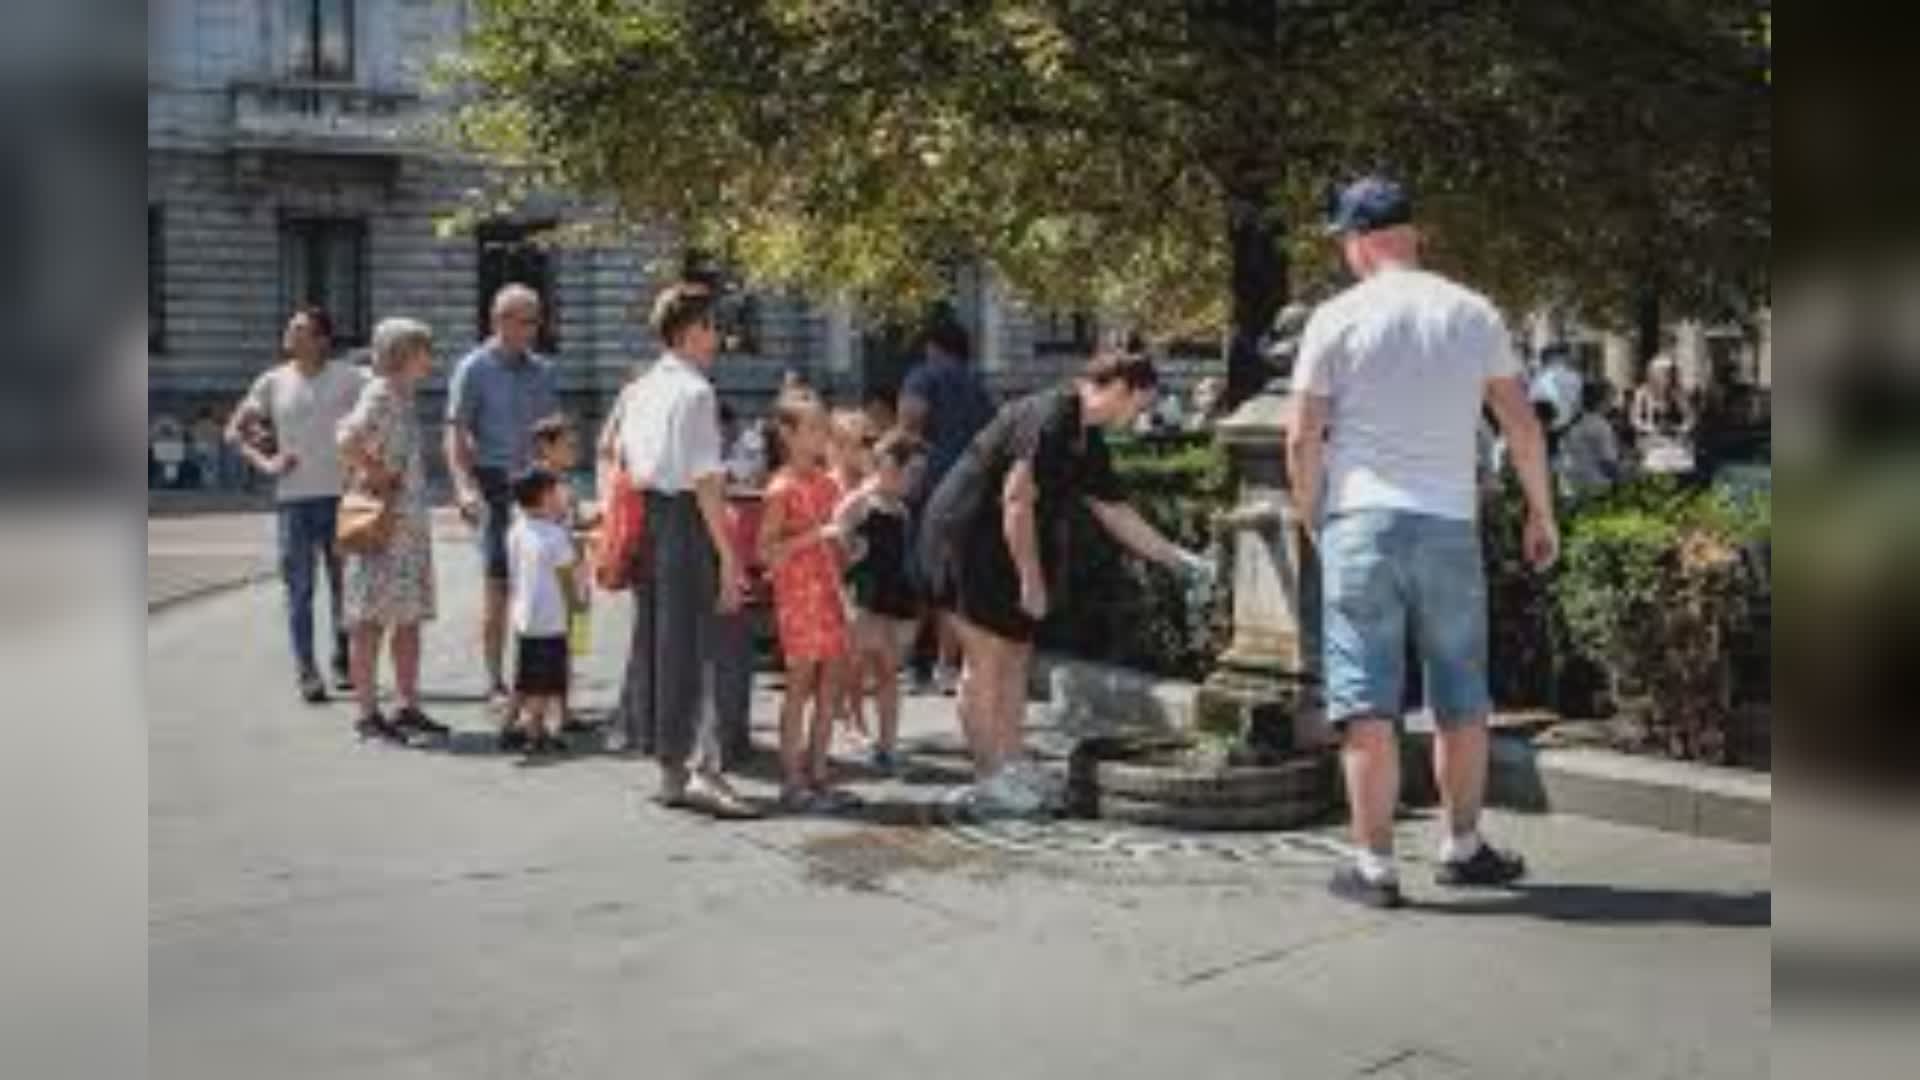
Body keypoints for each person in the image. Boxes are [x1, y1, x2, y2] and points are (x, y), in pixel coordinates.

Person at [1286, 176, 1557, 910]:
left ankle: (1374, 870)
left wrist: (1314, 517)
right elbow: (1522, 427)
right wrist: (1542, 515)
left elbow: (1301, 435)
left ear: (1361, 242)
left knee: (1366, 703)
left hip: (1361, 523)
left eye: (1344, 240)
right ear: (1412, 235)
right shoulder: (1473, 313)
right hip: (1448, 523)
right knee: (1461, 697)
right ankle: (1463, 846)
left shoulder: (1335, 318)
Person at [919, 352, 1215, 817]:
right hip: (966, 537)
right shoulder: (1051, 414)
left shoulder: (1087, 437)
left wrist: (1180, 561)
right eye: (1142, 404)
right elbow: (1016, 499)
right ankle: (989, 777)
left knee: (1016, 655)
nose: (1141, 415)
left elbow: (1115, 512)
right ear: (1120, 388)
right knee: (987, 659)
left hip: (1003, 545)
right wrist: (1031, 580)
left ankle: (1012, 763)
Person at [609, 283, 758, 818]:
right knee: (705, 645)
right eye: (712, 326)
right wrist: (730, 557)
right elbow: (706, 482)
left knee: (660, 645)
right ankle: (705, 771)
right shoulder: (695, 392)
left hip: (651, 522)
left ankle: (671, 768)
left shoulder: (640, 387)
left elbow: (615, 455)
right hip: (687, 522)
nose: (718, 337)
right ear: (690, 330)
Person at [226, 306, 367, 702]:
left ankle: (343, 659)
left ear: (322, 338)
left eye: (300, 329)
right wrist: (266, 462)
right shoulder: (272, 381)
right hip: (294, 502)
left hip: (342, 499)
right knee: (300, 591)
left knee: (346, 588)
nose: (290, 334)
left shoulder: (351, 378)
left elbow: (379, 417)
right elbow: (234, 431)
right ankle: (307, 670)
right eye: (290, 328)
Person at [445, 284, 561, 706]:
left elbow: (552, 434)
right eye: (526, 320)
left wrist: (562, 489)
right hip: (494, 483)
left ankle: (538, 683)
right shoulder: (473, 368)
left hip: (536, 483)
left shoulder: (545, 371)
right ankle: (495, 682)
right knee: (498, 586)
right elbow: (456, 433)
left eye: (536, 320)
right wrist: (462, 486)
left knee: (542, 590)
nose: (534, 328)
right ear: (500, 321)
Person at [336, 318, 448, 745]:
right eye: (425, 350)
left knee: (408, 619)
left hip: (405, 528)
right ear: (403, 353)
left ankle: (407, 705)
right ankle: (367, 714)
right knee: (370, 621)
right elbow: (346, 438)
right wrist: (377, 472)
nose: (431, 359)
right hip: (383, 527)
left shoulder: (401, 394)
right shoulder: (381, 392)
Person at [758, 391, 857, 812]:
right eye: (813, 428)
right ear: (788, 433)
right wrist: (817, 537)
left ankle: (819, 773)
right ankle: (792, 778)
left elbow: (838, 541)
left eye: (822, 427)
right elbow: (766, 551)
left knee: (830, 684)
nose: (822, 436)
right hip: (798, 595)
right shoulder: (781, 487)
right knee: (799, 686)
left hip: (830, 591)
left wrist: (850, 546)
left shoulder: (828, 482)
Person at [898, 319, 995, 695]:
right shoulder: (977, 384)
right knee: (955, 577)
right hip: (970, 486)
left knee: (920, 574)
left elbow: (909, 424)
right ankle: (947, 664)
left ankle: (913, 663)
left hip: (930, 484)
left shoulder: (923, 376)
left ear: (934, 346)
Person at [833, 430, 926, 774]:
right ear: (889, 466)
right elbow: (834, 538)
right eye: (911, 471)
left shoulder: (901, 509)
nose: (916, 481)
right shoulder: (860, 502)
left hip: (893, 596)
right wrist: (851, 551)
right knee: (853, 667)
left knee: (888, 671)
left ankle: (887, 743)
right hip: (863, 596)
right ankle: (853, 730)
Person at [502, 468, 583, 758]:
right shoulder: (555, 535)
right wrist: (578, 606)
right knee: (543, 681)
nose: (564, 497)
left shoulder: (516, 530)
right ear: (546, 497)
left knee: (525, 676)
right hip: (551, 619)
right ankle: (536, 732)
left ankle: (509, 724)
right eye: (558, 491)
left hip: (525, 615)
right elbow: (567, 576)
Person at [1557, 380, 1625, 500]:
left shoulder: (1574, 422)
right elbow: (1609, 465)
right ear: (1602, 401)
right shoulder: (1600, 426)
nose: (1613, 404)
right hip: (1593, 491)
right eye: (1611, 399)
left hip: (1569, 489)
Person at [1631, 354, 1697, 476]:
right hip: (1652, 440)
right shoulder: (1642, 393)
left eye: (1669, 373)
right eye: (1663, 372)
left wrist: (1681, 429)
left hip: (1675, 439)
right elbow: (1635, 419)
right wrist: (1650, 428)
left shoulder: (1679, 393)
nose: (1666, 377)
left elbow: (1690, 417)